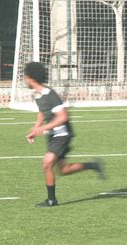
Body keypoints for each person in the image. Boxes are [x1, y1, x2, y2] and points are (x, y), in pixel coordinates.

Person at [23, 62, 104, 208]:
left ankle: (51, 200)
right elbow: (42, 110)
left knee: (47, 163)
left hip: (62, 133)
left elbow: (63, 117)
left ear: (32, 78)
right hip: (53, 134)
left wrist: (42, 129)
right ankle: (93, 165)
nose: (24, 79)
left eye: (26, 77)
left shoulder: (50, 94)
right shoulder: (38, 94)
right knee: (64, 170)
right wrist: (36, 127)